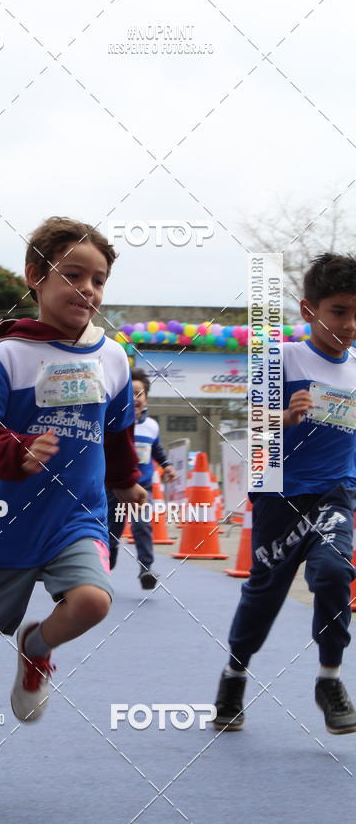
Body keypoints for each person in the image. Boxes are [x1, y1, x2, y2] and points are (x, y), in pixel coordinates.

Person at [0, 216, 146, 787]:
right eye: (72, 275)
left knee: (93, 602)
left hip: (78, 516)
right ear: (35, 277)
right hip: (9, 523)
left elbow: (117, 431)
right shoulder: (11, 356)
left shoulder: (113, 358)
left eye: (98, 280)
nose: (87, 290)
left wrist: (127, 480)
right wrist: (17, 450)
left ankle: (37, 646)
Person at [213, 253, 356, 735]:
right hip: (280, 496)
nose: (350, 324)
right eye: (339, 311)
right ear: (308, 310)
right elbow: (254, 423)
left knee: (334, 573)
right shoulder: (281, 358)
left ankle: (329, 679)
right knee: (263, 595)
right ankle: (234, 675)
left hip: (335, 494)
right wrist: (286, 417)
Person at [106, 367, 177, 589]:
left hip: (142, 488)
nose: (135, 398)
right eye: (130, 394)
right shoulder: (115, 422)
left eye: (139, 394)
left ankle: (146, 569)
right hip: (115, 486)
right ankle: (107, 558)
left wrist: (166, 466)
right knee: (112, 528)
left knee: (142, 526)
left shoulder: (151, 426)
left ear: (146, 398)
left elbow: (157, 450)